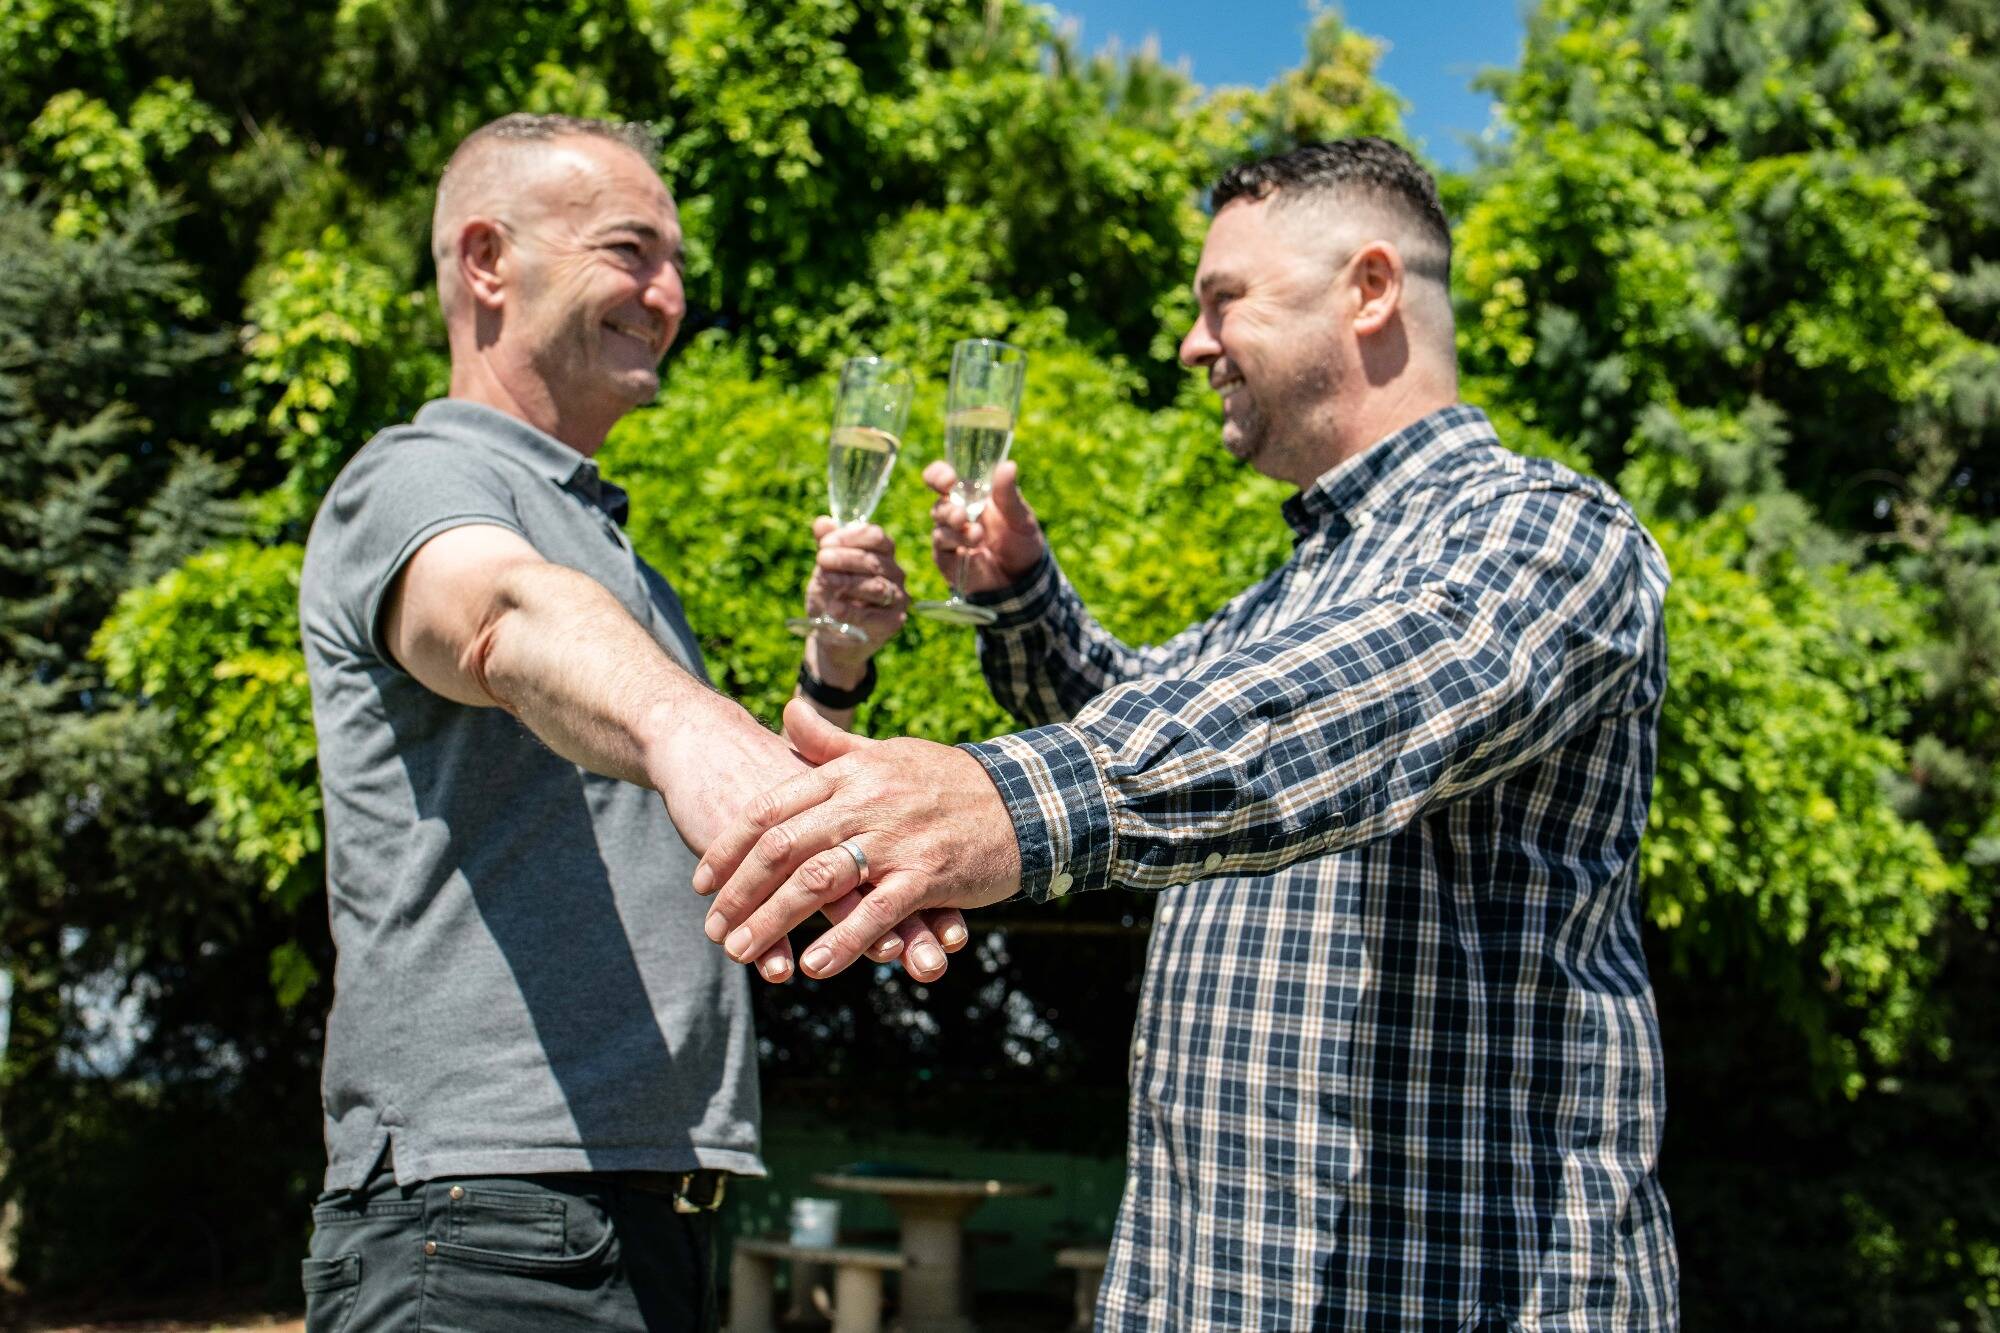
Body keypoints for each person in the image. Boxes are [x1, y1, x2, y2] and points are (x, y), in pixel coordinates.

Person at [696, 138, 1679, 1329]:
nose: (1191, 343)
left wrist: (998, 800)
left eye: (1224, 302)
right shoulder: (1292, 590)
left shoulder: (1553, 534)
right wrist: (1019, 594)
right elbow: (1141, 713)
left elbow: (1349, 712)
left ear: (1369, 290)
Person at [295, 112, 958, 1330]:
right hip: (488, 1223)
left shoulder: (611, 548)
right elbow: (501, 618)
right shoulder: (414, 482)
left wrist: (831, 676)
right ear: (486, 261)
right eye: (629, 251)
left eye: (676, 267)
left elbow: (711, 815)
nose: (667, 294)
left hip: (636, 1212)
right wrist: (678, 721)